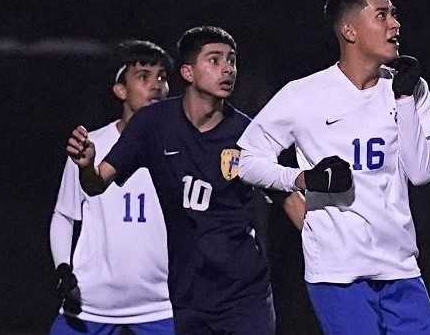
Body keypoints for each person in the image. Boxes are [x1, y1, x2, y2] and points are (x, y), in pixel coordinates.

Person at [237, 0, 430, 334]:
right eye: (381, 15)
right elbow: (244, 160)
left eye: (394, 14)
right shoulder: (303, 95)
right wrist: (302, 179)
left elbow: (420, 172)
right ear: (349, 31)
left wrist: (405, 99)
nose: (395, 24)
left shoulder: (410, 87)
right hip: (337, 272)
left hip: (400, 267)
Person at [66, 26, 275, 335]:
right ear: (188, 72)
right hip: (187, 290)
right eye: (215, 60)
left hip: (245, 290)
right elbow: (96, 184)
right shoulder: (153, 124)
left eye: (231, 60)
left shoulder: (248, 133)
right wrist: (86, 165)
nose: (228, 69)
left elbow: (288, 195)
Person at [50, 40, 174, 334]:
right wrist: (63, 270)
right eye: (143, 76)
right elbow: (64, 215)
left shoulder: (182, 145)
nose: (156, 85)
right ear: (120, 90)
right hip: (92, 302)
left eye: (162, 77)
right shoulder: (90, 145)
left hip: (161, 303)